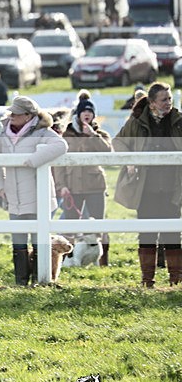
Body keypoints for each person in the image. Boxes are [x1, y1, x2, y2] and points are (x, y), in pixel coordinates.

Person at [0, 95, 68, 286]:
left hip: (37, 194)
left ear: (28, 115)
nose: (12, 117)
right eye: (11, 113)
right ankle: (21, 281)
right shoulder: (4, 132)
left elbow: (61, 145)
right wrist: (0, 185)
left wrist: (33, 160)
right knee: (18, 240)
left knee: (38, 239)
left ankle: (39, 279)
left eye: (16, 114)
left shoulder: (43, 131)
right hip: (13, 195)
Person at [113, 82, 182, 288]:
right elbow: (118, 143)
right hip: (146, 188)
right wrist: (131, 159)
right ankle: (147, 281)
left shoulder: (178, 121)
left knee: (173, 233)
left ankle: (176, 280)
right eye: (164, 100)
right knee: (147, 233)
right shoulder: (136, 122)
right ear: (152, 103)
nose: (168, 103)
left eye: (169, 99)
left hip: (173, 187)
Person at [56, 95, 113, 266]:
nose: (87, 114)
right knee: (70, 225)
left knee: (98, 224)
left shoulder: (100, 133)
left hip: (95, 185)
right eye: (84, 111)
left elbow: (108, 152)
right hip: (72, 186)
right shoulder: (67, 134)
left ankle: (103, 261)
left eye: (90, 111)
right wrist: (62, 186)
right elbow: (59, 164)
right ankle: (68, 259)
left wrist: (93, 136)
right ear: (78, 114)